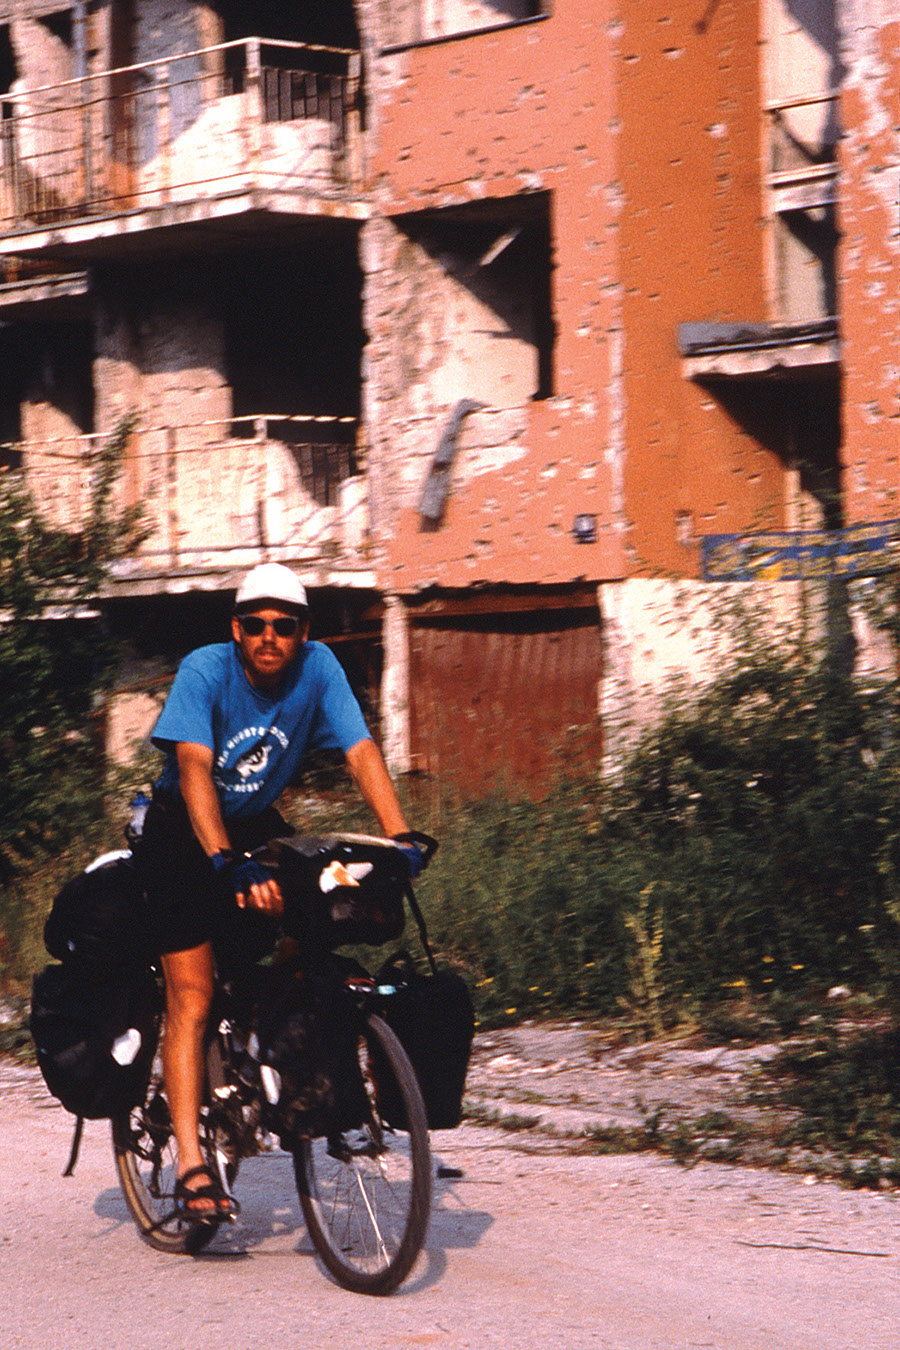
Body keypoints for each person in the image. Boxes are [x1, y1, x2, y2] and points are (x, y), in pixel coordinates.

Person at [135, 563, 421, 1221]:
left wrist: (401, 837)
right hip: (183, 832)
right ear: (237, 631)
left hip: (253, 826)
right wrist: (224, 860)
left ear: (303, 633)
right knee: (193, 994)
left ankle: (261, 1059)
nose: (270, 637)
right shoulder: (205, 670)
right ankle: (191, 1163)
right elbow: (194, 768)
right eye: (256, 625)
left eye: (284, 626)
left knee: (313, 926)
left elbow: (361, 752)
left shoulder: (319, 669)